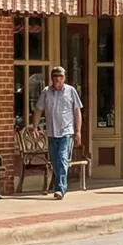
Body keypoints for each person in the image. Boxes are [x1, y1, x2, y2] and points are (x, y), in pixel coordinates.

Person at [35, 66, 82, 200]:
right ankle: (59, 185)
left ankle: (60, 188)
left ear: (64, 78)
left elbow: (77, 111)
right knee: (55, 161)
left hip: (66, 132)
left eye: (60, 77)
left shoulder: (71, 91)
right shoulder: (46, 92)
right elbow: (39, 109)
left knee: (62, 159)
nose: (57, 79)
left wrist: (78, 131)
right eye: (55, 76)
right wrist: (35, 127)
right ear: (51, 78)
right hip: (52, 132)